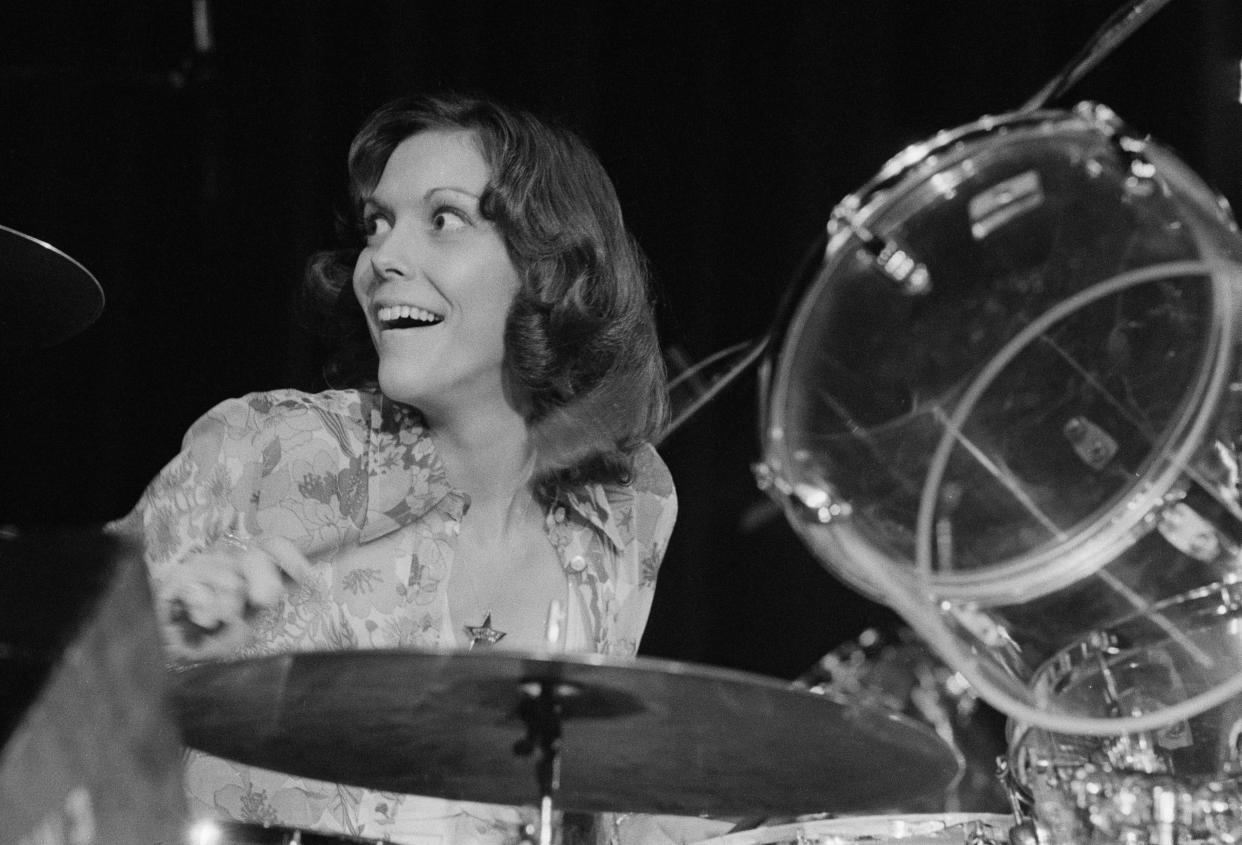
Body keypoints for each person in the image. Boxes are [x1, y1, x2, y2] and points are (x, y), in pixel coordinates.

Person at [112, 92, 685, 844]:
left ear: (550, 264)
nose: (381, 258)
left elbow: (585, 800)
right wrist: (149, 638)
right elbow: (40, 698)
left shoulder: (630, 498)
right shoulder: (265, 446)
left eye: (443, 219)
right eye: (377, 224)